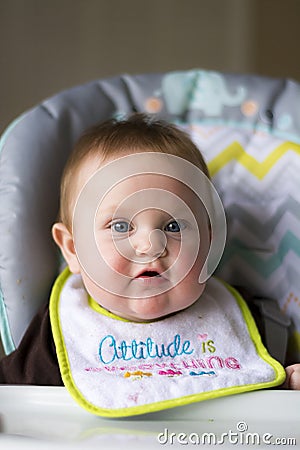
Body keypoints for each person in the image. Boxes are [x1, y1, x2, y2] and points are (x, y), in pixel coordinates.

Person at [0, 114, 299, 415]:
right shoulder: (59, 333)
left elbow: (267, 388)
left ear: (208, 244)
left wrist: (288, 385)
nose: (150, 245)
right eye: (119, 226)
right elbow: (14, 404)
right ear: (73, 249)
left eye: (173, 226)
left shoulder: (247, 320)